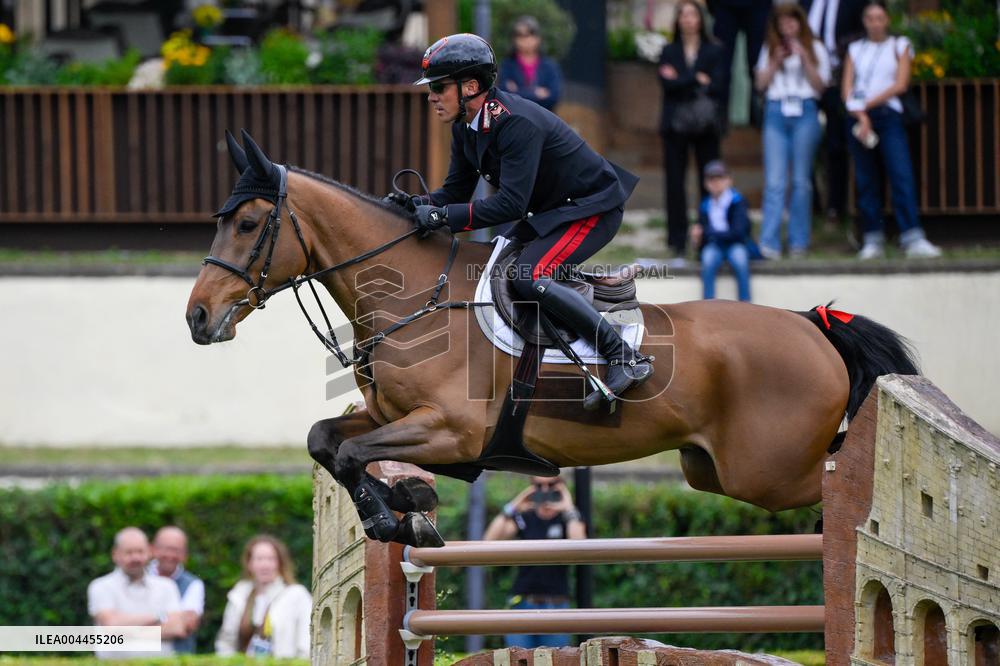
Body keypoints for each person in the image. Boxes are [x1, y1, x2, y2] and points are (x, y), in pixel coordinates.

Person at [389, 33, 652, 410]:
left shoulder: (516, 124)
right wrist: (414, 205)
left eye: (438, 87)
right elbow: (455, 193)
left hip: (591, 208)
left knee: (527, 275)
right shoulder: (464, 127)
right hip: (551, 212)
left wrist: (443, 217)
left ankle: (623, 355)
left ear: (471, 86)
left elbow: (511, 204)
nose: (431, 95)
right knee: (491, 265)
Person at [842, 0, 941, 259]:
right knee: (866, 179)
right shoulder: (854, 48)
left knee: (901, 174)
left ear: (887, 20)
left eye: (879, 17)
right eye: (870, 17)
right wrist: (861, 115)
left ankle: (912, 236)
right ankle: (872, 238)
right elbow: (846, 90)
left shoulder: (900, 44)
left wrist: (866, 105)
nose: (875, 22)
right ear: (864, 21)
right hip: (859, 118)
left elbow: (900, 84)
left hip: (888, 115)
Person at [754, 2, 830, 258]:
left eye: (792, 20)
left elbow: (821, 87)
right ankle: (770, 242)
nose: (787, 25)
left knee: (801, 181)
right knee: (775, 181)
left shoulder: (816, 46)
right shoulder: (770, 48)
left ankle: (798, 241)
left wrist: (805, 58)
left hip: (806, 112)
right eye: (782, 22)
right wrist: (775, 61)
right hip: (775, 112)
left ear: (800, 22)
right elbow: (761, 84)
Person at [658, 0, 726, 266]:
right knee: (675, 184)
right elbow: (666, 85)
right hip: (675, 125)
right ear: (677, 20)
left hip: (706, 125)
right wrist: (697, 78)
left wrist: (681, 78)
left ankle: (706, 236)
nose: (688, 19)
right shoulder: (668, 50)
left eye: (692, 15)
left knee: (708, 181)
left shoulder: (715, 49)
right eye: (683, 15)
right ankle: (677, 241)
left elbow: (719, 85)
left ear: (701, 19)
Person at [483, 475, 587, 649]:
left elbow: (581, 547)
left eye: (551, 484)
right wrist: (514, 505)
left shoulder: (569, 517)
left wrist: (568, 507)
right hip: (523, 603)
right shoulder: (526, 516)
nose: (545, 490)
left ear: (562, 486)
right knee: (517, 659)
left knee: (557, 661)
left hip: (557, 605)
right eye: (538, 485)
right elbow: (488, 541)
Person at [799, 0, 867, 223]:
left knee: (836, 144)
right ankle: (812, 204)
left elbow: (863, 33)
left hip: (839, 79)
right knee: (802, 143)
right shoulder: (805, 3)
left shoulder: (854, 4)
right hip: (806, 80)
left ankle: (835, 206)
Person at [87, 527, 186, 659]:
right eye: (129, 552)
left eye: (140, 551)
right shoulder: (100, 587)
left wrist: (125, 631)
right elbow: (111, 625)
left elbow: (176, 628)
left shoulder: (167, 586)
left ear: (150, 552)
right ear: (115, 554)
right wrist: (158, 616)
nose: (136, 558)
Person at [215, 535, 311, 658]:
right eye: (259, 559)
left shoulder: (297, 595)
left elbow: (306, 644)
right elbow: (225, 642)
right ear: (249, 563)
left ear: (280, 563)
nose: (265, 565)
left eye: (271, 559)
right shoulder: (239, 595)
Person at [692, 160, 752, 301]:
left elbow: (739, 232)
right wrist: (697, 239)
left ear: (729, 180)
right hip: (715, 245)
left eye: (720, 178)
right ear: (706, 183)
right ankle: (708, 303)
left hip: (735, 243)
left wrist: (708, 233)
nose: (716, 183)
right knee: (707, 260)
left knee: (741, 261)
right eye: (711, 179)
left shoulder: (738, 201)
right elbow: (703, 234)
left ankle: (746, 304)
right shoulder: (705, 205)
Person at [708, 0, 772, 125]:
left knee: (757, 62)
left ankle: (759, 116)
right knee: (722, 64)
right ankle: (719, 117)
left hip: (759, 6)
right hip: (724, 7)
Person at [149, 526, 204, 654]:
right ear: (153, 549)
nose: (170, 555)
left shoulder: (193, 584)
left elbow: (185, 626)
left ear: (185, 555)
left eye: (177, 550)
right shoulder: (138, 577)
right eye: (166, 549)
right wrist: (170, 619)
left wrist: (129, 632)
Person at [497, 16, 562, 112]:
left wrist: (517, 91)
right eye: (520, 35)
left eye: (529, 34)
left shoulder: (550, 66)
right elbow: (504, 96)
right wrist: (536, 93)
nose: (525, 40)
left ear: (538, 38)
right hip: (516, 119)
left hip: (544, 121)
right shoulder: (507, 65)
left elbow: (554, 97)